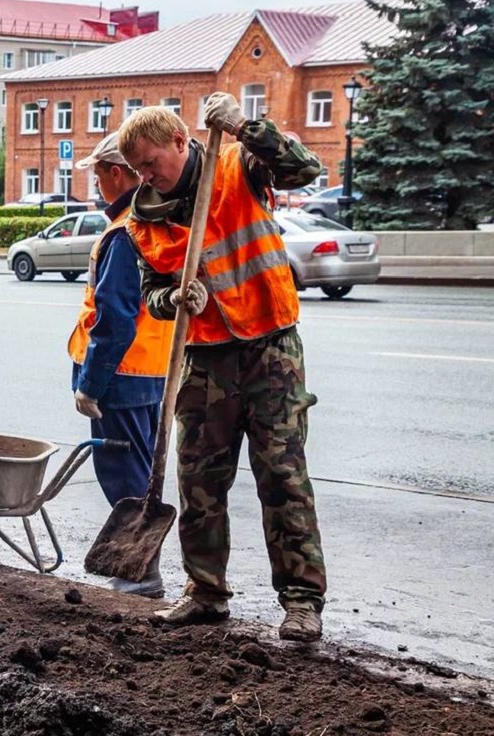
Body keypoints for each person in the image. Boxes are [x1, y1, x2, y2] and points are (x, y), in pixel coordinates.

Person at [116, 95, 327, 641]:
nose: (145, 176)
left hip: (270, 349)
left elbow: (304, 168)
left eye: (151, 163)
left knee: (282, 477)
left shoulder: (236, 164)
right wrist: (173, 299)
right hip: (205, 358)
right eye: (137, 169)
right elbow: (152, 291)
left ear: (179, 142)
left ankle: (302, 601)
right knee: (199, 483)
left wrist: (244, 126)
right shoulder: (143, 220)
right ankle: (205, 592)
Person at [67, 132, 173, 598]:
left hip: (122, 374)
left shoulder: (123, 233)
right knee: (142, 470)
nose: (96, 183)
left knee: (124, 474)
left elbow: (114, 316)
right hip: (153, 368)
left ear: (117, 173)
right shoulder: (156, 222)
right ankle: (142, 569)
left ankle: (141, 574)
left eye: (97, 174)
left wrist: (91, 383)